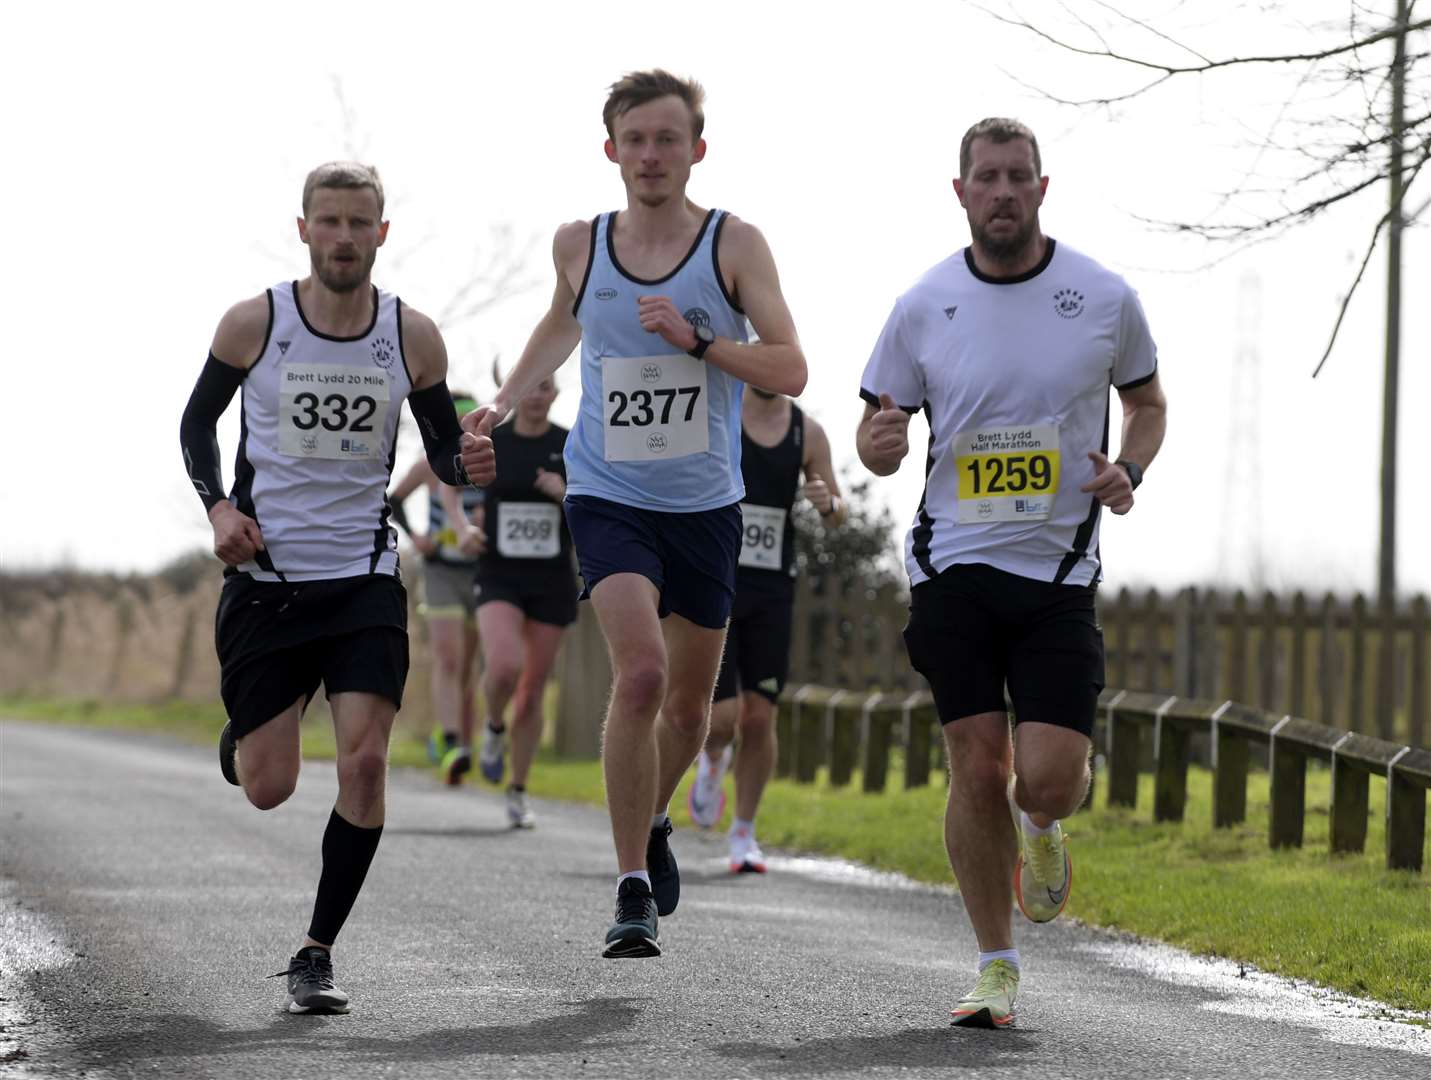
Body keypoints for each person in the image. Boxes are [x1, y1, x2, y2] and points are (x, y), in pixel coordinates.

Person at [460, 70, 807, 958]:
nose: (651, 155)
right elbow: (558, 325)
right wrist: (500, 402)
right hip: (607, 494)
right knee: (642, 677)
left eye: (667, 139)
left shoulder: (734, 245)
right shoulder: (581, 243)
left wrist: (699, 341)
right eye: (634, 139)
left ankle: (654, 818)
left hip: (705, 505)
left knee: (690, 712)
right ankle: (628, 890)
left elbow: (789, 368)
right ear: (609, 149)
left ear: (697, 149)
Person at [856, 118, 1167, 1029]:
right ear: (959, 192)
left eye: (1015, 176)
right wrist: (878, 445)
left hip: (1058, 573)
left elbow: (1145, 403)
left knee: (1049, 775)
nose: (1000, 191)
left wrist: (1130, 469)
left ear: (1041, 187)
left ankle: (1043, 823)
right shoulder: (922, 304)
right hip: (950, 564)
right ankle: (994, 965)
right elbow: (882, 438)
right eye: (984, 177)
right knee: (974, 760)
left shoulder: (1103, 296)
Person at [179, 161, 484, 1014]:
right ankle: (247, 733)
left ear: (382, 233)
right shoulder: (256, 322)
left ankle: (316, 952)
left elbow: (446, 447)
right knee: (270, 782)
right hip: (267, 583)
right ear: (304, 228)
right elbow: (196, 421)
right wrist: (216, 509)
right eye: (330, 222)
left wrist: (472, 463)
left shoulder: (412, 336)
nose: (344, 237)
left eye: (360, 223)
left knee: (365, 761)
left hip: (364, 581)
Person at [686, 388, 847, 873]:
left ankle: (744, 834)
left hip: (773, 588)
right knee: (725, 717)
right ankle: (713, 759)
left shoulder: (807, 432)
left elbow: (839, 512)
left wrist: (827, 503)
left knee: (760, 717)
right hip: (717, 578)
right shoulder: (718, 410)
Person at [471, 374, 579, 828]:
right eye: (529, 386)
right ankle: (494, 726)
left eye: (545, 386)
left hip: (551, 579)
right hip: (500, 573)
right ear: (515, 393)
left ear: (554, 394)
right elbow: (447, 483)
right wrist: (464, 529)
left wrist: (567, 494)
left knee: (533, 690)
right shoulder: (493, 440)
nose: (537, 394)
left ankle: (518, 789)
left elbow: (600, 507)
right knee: (503, 667)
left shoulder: (572, 444)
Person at [386, 392, 487, 785]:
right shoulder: (430, 465)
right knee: (448, 659)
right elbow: (394, 500)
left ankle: (461, 745)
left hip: (482, 572)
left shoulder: (489, 461)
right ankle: (449, 741)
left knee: (468, 669)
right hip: (441, 570)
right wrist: (416, 537)